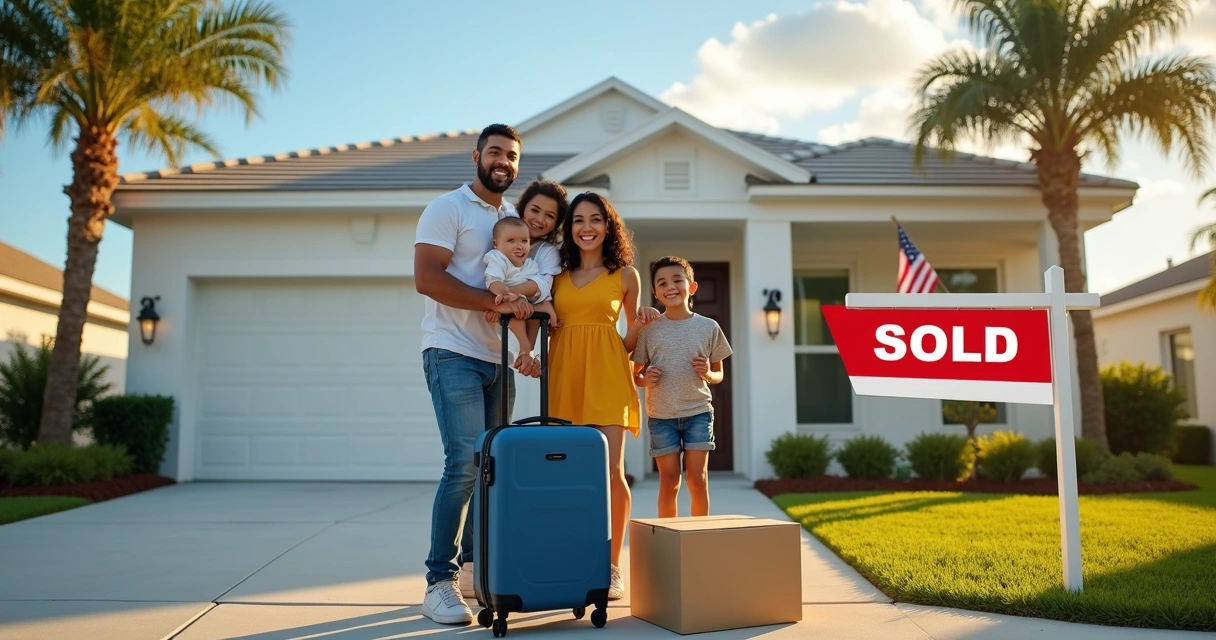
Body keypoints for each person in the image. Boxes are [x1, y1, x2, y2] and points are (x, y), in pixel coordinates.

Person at [413, 123, 540, 625]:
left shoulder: (512, 218)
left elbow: (526, 278)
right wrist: (495, 302)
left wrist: (531, 306)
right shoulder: (449, 208)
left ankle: (472, 571)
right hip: (451, 352)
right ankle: (438, 582)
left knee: (491, 470)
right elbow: (427, 278)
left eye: (511, 155)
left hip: (497, 358)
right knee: (464, 463)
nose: (502, 161)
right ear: (476, 156)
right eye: (494, 152)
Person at [547, 191, 658, 601]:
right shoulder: (554, 274)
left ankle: (611, 567)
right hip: (563, 379)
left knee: (611, 473)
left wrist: (642, 326)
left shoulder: (626, 275)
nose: (587, 227)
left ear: (608, 226)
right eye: (578, 220)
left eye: (596, 219)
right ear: (569, 227)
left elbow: (627, 344)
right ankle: (573, 558)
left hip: (610, 377)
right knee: (565, 477)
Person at [631, 256, 732, 518]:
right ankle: (669, 540)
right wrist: (646, 379)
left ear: (692, 286)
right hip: (662, 416)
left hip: (698, 412)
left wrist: (707, 373)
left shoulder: (709, 327)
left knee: (697, 480)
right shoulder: (648, 330)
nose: (671, 287)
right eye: (662, 283)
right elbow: (636, 376)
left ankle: (699, 538)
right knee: (669, 481)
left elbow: (719, 374)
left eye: (677, 280)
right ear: (655, 292)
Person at [483, 216, 544, 357]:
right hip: (501, 299)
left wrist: (524, 298)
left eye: (524, 241)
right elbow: (493, 281)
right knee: (515, 312)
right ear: (496, 244)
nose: (519, 246)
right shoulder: (498, 259)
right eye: (511, 241)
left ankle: (531, 348)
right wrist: (505, 294)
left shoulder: (530, 265)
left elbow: (537, 286)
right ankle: (525, 346)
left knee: (542, 306)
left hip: (523, 303)